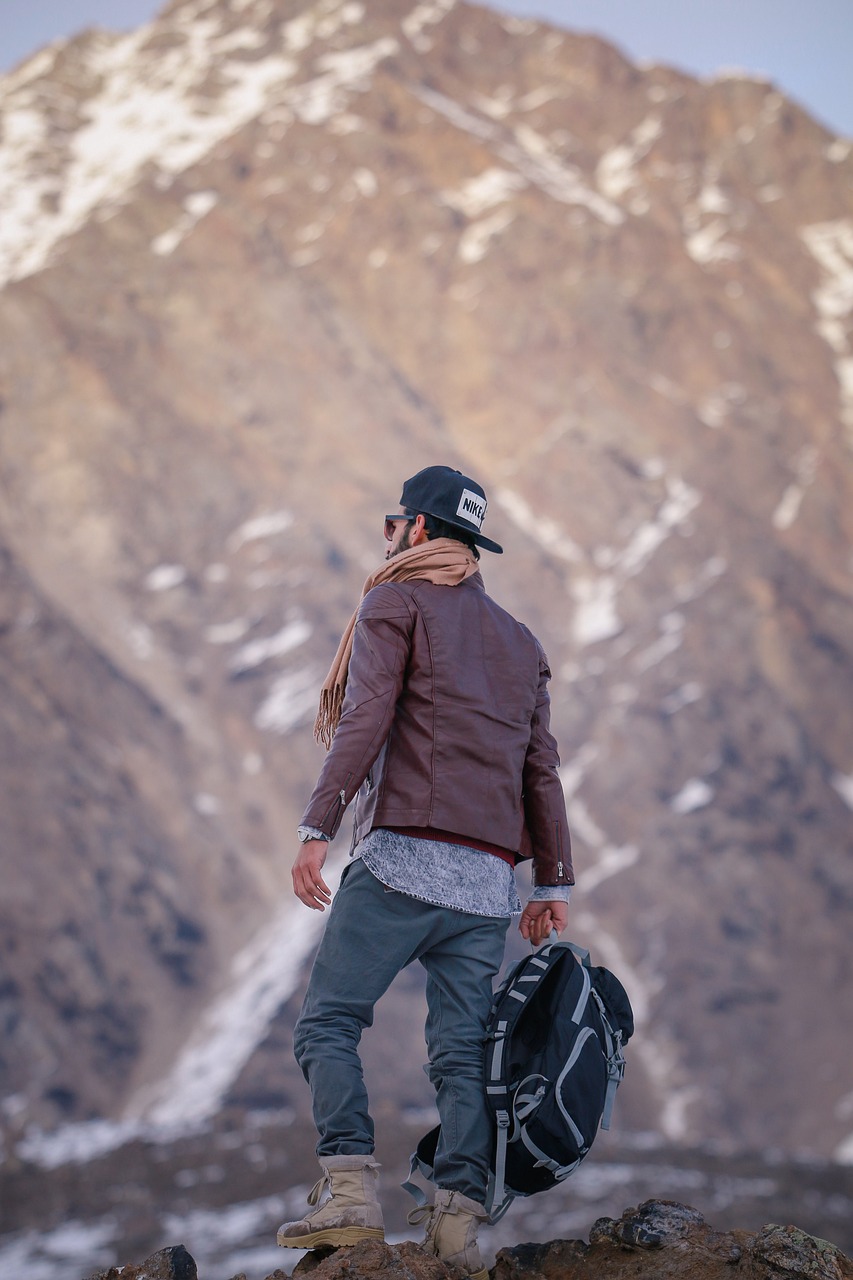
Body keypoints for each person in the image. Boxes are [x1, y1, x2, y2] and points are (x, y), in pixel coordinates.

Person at [276, 465, 573, 1280]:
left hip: (403, 861)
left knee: (328, 1023)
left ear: (415, 529)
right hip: (484, 887)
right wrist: (551, 884)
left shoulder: (393, 602)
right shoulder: (521, 642)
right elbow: (539, 770)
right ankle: (455, 1233)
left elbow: (366, 715)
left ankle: (347, 1193)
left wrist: (317, 827)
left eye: (392, 524)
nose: (388, 538)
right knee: (461, 1053)